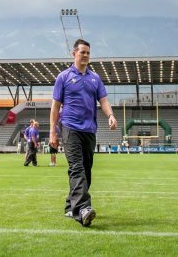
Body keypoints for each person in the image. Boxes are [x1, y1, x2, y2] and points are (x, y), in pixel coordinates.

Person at [50, 39, 117, 227]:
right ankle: (83, 209)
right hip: (70, 127)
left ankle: (70, 207)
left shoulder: (95, 78)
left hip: (89, 129)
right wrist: (53, 133)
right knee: (77, 167)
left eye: (88, 52)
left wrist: (110, 115)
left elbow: (103, 100)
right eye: (82, 52)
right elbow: (55, 108)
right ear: (74, 54)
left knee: (86, 171)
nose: (86, 55)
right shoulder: (63, 77)